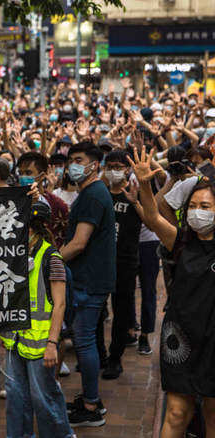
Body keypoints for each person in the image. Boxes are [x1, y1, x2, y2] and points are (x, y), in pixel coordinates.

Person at [129, 146, 215, 438]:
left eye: (205, 207)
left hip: (214, 338)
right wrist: (144, 183)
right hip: (180, 337)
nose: (197, 213)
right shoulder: (180, 241)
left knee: (212, 415)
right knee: (177, 412)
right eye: (192, 206)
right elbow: (152, 216)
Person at [0, 201, 73, 438]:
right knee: (15, 394)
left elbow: (59, 304)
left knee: (43, 396)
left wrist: (53, 343)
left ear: (38, 228)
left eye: (27, 226)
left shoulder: (51, 257)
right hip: (14, 339)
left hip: (41, 343)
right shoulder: (12, 254)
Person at [59, 142, 116, 427]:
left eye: (78, 160)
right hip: (88, 278)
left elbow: (79, 243)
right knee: (86, 340)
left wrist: (51, 260)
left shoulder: (93, 194)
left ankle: (91, 406)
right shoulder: (90, 192)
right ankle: (90, 398)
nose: (72, 165)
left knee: (83, 342)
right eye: (70, 160)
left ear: (95, 164)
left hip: (89, 281)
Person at [100, 150, 145, 380]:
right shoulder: (100, 193)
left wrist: (136, 202)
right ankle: (99, 355)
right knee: (98, 310)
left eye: (119, 166)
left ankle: (115, 358)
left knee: (121, 311)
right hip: (100, 260)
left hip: (125, 262)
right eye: (110, 165)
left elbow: (150, 219)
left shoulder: (134, 193)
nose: (114, 170)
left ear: (127, 169)